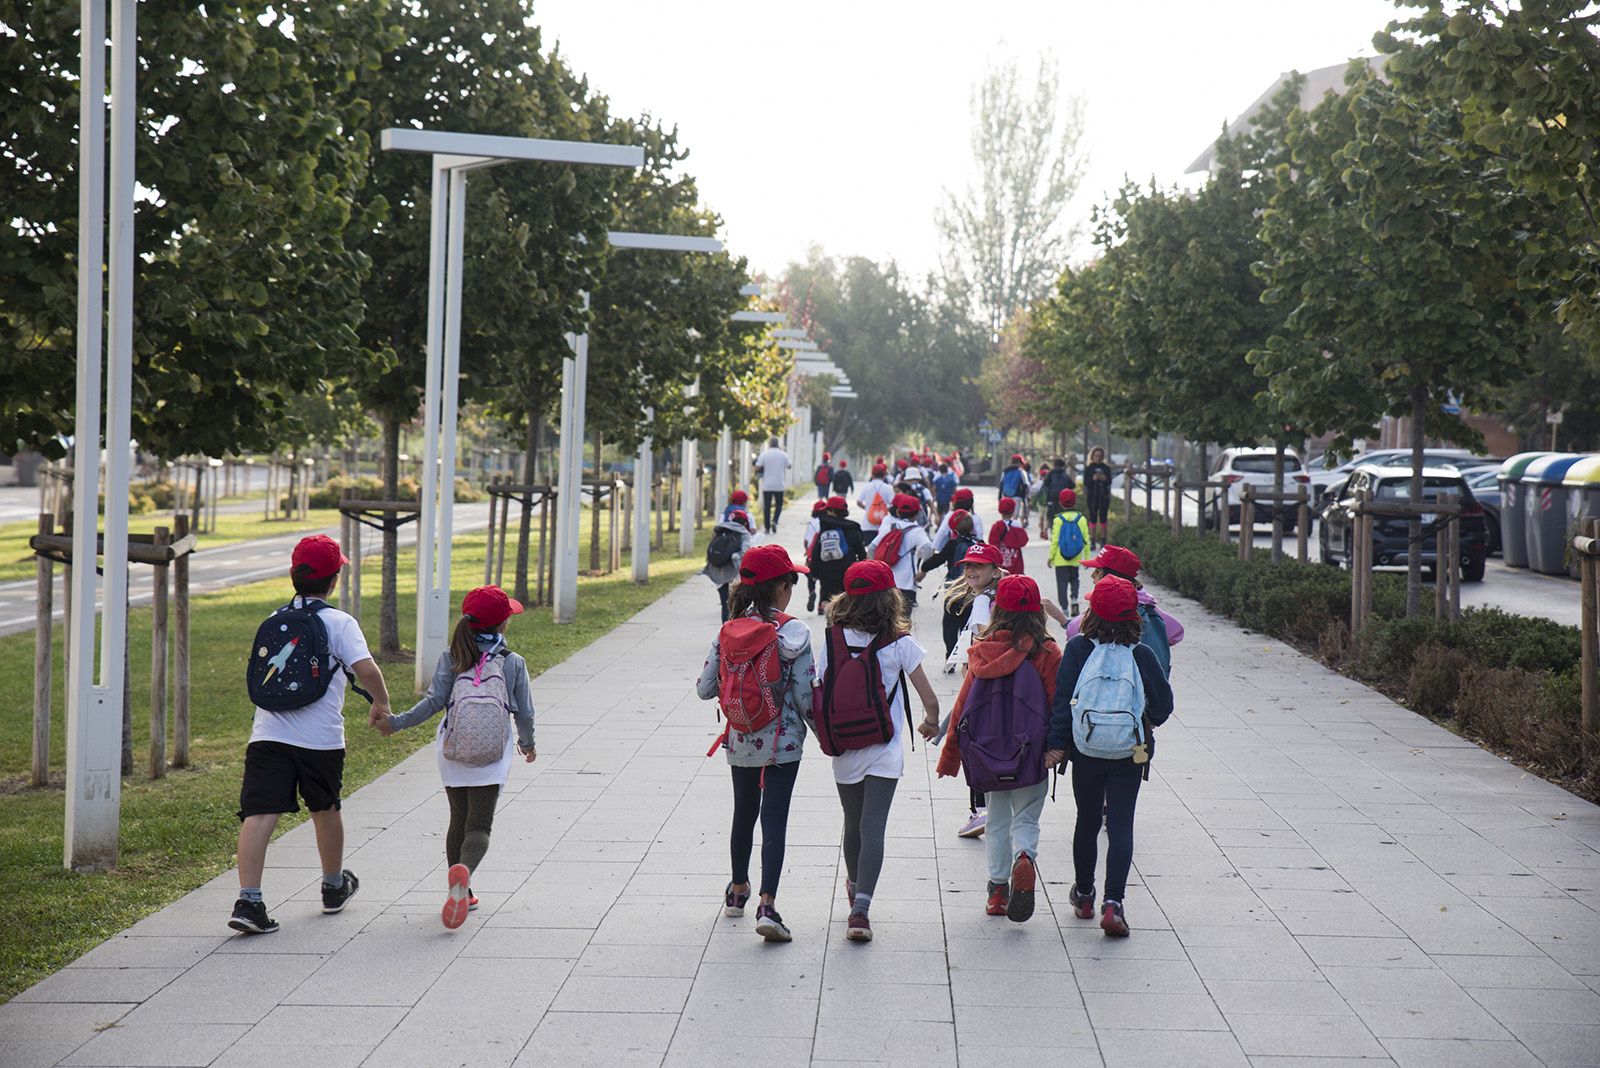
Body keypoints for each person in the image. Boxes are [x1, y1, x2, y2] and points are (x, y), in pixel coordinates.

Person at [230, 535, 393, 935]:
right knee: (325, 809)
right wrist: (381, 703)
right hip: (320, 739)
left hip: (267, 734)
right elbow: (366, 669)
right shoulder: (340, 622)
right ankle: (333, 887)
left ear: (293, 574)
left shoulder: (275, 618)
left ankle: (249, 900)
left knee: (259, 814)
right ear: (334, 580)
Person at [380, 586, 535, 929]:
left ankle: (461, 890)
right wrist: (528, 744)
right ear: (503, 624)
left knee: (458, 819)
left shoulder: (452, 656)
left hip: (452, 749)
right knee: (479, 826)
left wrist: (396, 723)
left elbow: (433, 703)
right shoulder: (512, 662)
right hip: (492, 751)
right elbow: (524, 712)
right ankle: (465, 876)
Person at [814, 560, 941, 943]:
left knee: (853, 824)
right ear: (890, 598)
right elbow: (930, 701)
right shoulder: (899, 642)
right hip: (884, 749)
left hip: (845, 748)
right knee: (874, 827)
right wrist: (930, 724)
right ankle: (861, 910)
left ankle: (855, 887)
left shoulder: (832, 639)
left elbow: (819, 691)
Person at [695, 545, 814, 942]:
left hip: (740, 739)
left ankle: (737, 890)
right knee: (774, 818)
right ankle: (768, 905)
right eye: (790, 583)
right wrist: (826, 736)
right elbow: (805, 697)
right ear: (780, 587)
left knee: (743, 813)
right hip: (783, 743)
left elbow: (704, 688)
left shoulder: (728, 631)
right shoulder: (795, 633)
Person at [1045, 576, 1174, 938]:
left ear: (1091, 613)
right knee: (1120, 824)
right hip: (1130, 753)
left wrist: (1056, 745)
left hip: (1085, 750)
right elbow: (1164, 706)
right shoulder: (1142, 654)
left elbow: (1062, 702)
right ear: (1134, 615)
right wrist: (1145, 719)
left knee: (1087, 821)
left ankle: (1085, 895)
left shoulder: (1077, 649)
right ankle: (1113, 903)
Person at [936, 575, 1062, 922]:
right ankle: (1024, 856)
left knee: (996, 821)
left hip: (988, 753)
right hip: (1031, 753)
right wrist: (1057, 748)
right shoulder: (1047, 651)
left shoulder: (983, 649)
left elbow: (962, 707)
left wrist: (950, 757)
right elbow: (1058, 703)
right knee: (1026, 816)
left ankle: (997, 893)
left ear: (997, 610)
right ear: (1037, 611)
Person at [1064, 545, 1184, 676]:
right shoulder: (1146, 603)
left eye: (1097, 571)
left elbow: (1073, 631)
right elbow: (1176, 632)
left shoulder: (1106, 603)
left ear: (1112, 576)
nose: (1092, 576)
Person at [914, 509, 978, 658]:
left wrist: (924, 568)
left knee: (950, 626)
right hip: (972, 592)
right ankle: (967, 657)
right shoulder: (978, 544)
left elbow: (937, 560)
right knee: (968, 626)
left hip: (953, 591)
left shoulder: (953, 544)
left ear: (954, 529)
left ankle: (951, 656)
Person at [868, 493, 932, 609]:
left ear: (898, 512)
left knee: (887, 616)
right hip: (906, 584)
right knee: (903, 618)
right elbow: (928, 548)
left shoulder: (890, 527)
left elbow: (872, 548)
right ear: (917, 514)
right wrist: (923, 571)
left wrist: (876, 570)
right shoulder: (917, 531)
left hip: (886, 582)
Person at [809, 495, 868, 609]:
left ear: (832, 510)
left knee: (827, 600)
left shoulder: (825, 527)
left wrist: (814, 572)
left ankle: (830, 617)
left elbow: (816, 552)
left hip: (827, 573)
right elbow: (861, 553)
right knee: (847, 601)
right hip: (848, 572)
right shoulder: (853, 528)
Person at [1048, 489, 1091, 617]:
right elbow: (1086, 540)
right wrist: (1087, 558)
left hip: (1060, 558)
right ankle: (1074, 599)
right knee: (1074, 579)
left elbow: (1055, 540)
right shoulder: (1081, 518)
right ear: (1075, 502)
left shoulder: (1058, 519)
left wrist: (1051, 557)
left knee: (1062, 584)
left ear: (1060, 502)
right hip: (1076, 557)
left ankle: (1064, 609)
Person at [705, 509, 754, 621]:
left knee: (725, 605)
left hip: (718, 573)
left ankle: (725, 630)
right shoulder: (743, 533)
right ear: (745, 522)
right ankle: (735, 629)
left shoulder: (720, 530)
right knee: (737, 606)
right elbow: (745, 552)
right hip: (735, 575)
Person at [755, 437, 791, 534]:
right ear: (777, 444)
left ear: (770, 444)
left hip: (767, 485)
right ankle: (774, 520)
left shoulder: (765, 454)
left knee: (767, 507)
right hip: (779, 485)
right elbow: (789, 465)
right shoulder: (783, 454)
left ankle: (767, 528)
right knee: (779, 505)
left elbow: (757, 466)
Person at [932, 487, 983, 553]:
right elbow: (979, 536)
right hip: (972, 552)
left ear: (956, 502)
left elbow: (942, 533)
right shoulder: (976, 518)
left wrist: (933, 549)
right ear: (972, 502)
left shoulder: (951, 515)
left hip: (953, 550)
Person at [988, 497, 1030, 576]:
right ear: (1013, 510)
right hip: (1016, 563)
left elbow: (992, 544)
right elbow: (1024, 541)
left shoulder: (996, 526)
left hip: (1001, 564)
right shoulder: (1017, 525)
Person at [1083, 446, 1113, 550]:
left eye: (1100, 456)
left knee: (1103, 517)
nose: (1098, 458)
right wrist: (1093, 479)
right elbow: (1086, 482)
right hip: (1092, 496)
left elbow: (1109, 481)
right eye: (1096, 456)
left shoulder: (1106, 468)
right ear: (1092, 456)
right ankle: (1092, 540)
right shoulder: (1089, 468)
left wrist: (1104, 479)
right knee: (1092, 517)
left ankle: (1103, 539)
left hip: (1104, 495)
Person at [857, 462, 896, 539]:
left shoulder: (867, 487)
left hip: (867, 525)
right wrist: (885, 509)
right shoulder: (888, 488)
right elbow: (893, 504)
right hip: (883, 525)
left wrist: (867, 508)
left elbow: (859, 502)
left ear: (872, 475)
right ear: (884, 475)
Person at [802, 499, 828, 611]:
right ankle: (821, 605)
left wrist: (807, 551)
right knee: (824, 581)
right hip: (826, 555)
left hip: (813, 556)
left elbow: (806, 542)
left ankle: (812, 591)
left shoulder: (812, 524)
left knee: (810, 576)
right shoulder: (829, 522)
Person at [1040, 457, 1074, 537]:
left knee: (1051, 517)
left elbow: (1045, 484)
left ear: (1054, 465)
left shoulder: (1051, 474)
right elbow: (1072, 485)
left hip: (1052, 499)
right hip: (1063, 499)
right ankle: (1062, 533)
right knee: (1063, 516)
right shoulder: (1065, 475)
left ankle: (1054, 533)